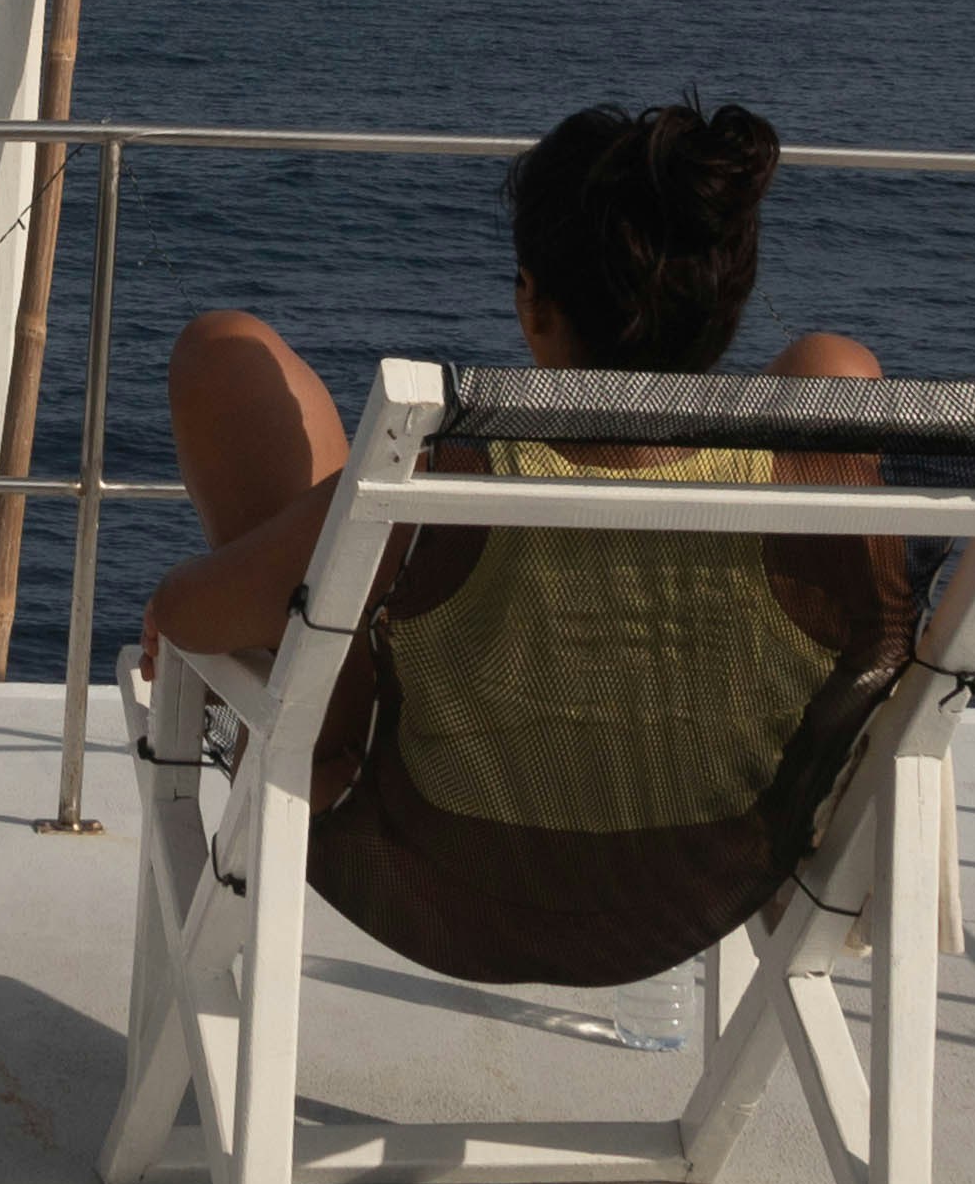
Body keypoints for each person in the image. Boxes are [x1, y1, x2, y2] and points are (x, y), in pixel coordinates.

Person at [143, 98, 915, 990]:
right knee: (836, 367)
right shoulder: (805, 478)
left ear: (534, 305)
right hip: (705, 874)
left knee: (224, 351)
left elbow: (193, 616)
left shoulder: (448, 476)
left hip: (430, 873)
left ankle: (329, 605)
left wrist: (194, 589)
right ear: (729, 306)